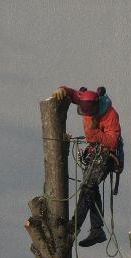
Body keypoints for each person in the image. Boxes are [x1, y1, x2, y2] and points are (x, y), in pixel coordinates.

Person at [52, 85, 121, 247]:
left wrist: (93, 132)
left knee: (88, 186)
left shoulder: (110, 115)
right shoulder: (85, 101)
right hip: (94, 152)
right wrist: (62, 90)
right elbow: (73, 94)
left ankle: (73, 226)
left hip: (107, 155)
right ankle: (97, 229)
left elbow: (112, 141)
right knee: (92, 188)